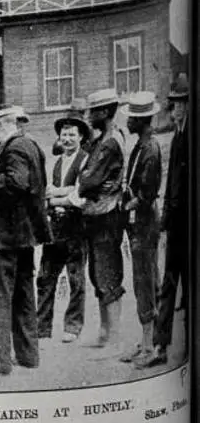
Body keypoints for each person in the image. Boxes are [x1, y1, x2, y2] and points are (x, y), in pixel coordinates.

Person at [0, 104, 50, 377]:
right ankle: (28, 356)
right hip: (25, 234)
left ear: (2, 125)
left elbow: (17, 182)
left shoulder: (14, 147)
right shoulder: (31, 146)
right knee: (24, 295)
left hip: (7, 235)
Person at [139, 75, 189, 368]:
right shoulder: (178, 135)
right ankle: (160, 347)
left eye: (180, 103)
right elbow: (172, 184)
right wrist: (166, 222)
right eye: (173, 104)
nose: (175, 110)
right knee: (169, 284)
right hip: (176, 225)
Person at [77, 88, 126, 349]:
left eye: (93, 111)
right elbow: (82, 171)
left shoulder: (110, 142)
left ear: (105, 112)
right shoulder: (100, 140)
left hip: (106, 214)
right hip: (97, 213)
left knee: (107, 272)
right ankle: (106, 332)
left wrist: (84, 180)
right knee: (98, 272)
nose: (88, 116)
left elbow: (87, 180)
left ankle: (113, 335)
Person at [37, 111, 90, 343]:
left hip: (76, 226)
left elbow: (82, 194)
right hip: (55, 226)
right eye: (64, 135)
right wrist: (58, 195)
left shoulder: (86, 160)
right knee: (45, 276)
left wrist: (58, 195)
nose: (67, 139)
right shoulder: (56, 163)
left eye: (72, 135)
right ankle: (42, 327)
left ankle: (73, 326)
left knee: (76, 278)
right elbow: (46, 192)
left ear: (80, 137)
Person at [118, 92, 162, 365]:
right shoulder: (139, 146)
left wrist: (125, 206)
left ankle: (151, 346)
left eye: (132, 117)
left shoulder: (151, 150)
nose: (129, 122)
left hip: (144, 224)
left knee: (146, 281)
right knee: (141, 281)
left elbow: (146, 195)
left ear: (142, 120)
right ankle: (146, 340)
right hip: (137, 224)